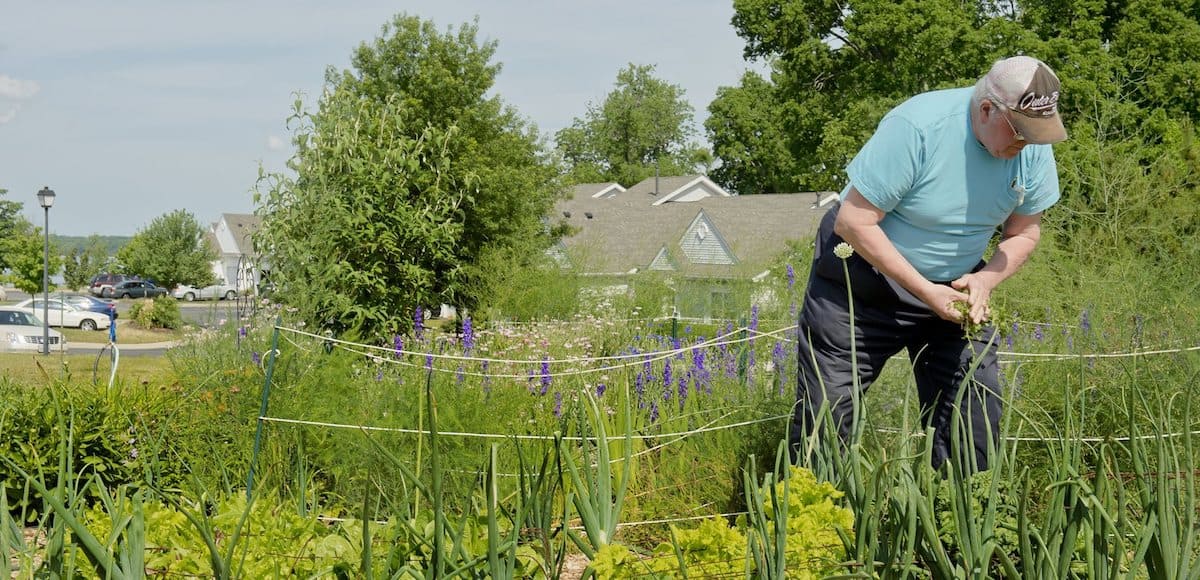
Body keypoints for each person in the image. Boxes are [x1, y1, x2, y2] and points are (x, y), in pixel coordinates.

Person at [790, 56, 1067, 472]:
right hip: (860, 282)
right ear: (987, 108)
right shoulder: (919, 126)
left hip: (953, 291)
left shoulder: (1030, 150)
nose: (1026, 144)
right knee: (826, 421)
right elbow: (854, 221)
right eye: (1021, 132)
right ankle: (817, 523)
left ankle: (956, 521)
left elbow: (1024, 233)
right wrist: (924, 291)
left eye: (1036, 133)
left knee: (974, 414)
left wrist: (986, 280)